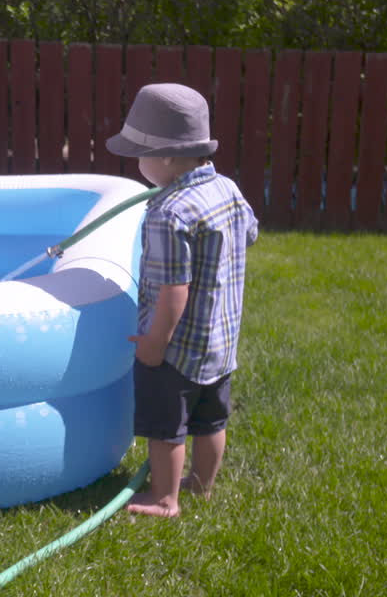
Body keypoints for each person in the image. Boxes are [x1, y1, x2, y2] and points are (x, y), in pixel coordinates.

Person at [104, 83, 258, 519]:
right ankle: (202, 486)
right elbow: (250, 232)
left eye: (140, 153)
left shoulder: (168, 212)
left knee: (166, 426)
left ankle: (164, 497)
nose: (137, 163)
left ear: (167, 158)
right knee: (211, 420)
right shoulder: (225, 188)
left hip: (177, 348)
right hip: (220, 340)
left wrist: (155, 343)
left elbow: (174, 290)